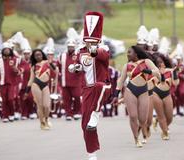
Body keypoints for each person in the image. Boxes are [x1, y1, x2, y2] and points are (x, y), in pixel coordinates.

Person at [69, 11, 110, 160]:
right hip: (86, 90)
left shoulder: (103, 50)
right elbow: (77, 67)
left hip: (103, 86)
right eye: (88, 41)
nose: (90, 43)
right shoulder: (80, 52)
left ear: (98, 41)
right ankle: (92, 153)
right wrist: (76, 68)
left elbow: (102, 55)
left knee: (99, 86)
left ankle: (96, 114)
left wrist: (95, 49)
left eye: (93, 41)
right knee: (85, 124)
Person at [113, 45, 159, 147]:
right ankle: (136, 139)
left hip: (143, 91)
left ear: (136, 53)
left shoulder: (146, 62)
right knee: (133, 116)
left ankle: (144, 131)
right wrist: (116, 95)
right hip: (130, 90)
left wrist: (149, 71)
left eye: (129, 52)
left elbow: (158, 73)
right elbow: (121, 80)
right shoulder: (127, 66)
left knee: (143, 119)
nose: (127, 54)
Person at [152, 54, 179, 140]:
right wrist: (162, 74)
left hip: (167, 94)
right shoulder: (154, 72)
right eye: (158, 63)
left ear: (165, 62)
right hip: (156, 93)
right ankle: (164, 132)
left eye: (161, 62)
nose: (160, 64)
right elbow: (161, 82)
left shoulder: (170, 71)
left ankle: (158, 121)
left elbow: (175, 83)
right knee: (161, 116)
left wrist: (175, 72)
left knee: (170, 117)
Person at [58, 28, 82, 120]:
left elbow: (82, 67)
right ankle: (68, 114)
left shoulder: (78, 55)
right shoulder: (62, 55)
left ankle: (77, 112)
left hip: (76, 81)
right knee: (66, 99)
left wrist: (78, 69)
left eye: (72, 46)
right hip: (65, 81)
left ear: (75, 47)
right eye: (69, 47)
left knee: (76, 97)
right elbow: (59, 66)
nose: (70, 48)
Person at [25, 49, 52, 130]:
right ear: (34, 57)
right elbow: (30, 79)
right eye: (36, 55)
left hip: (45, 85)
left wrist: (51, 64)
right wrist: (27, 91)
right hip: (36, 84)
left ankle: (46, 119)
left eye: (39, 54)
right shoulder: (33, 67)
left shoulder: (47, 62)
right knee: (40, 105)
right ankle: (42, 122)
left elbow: (55, 70)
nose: (38, 56)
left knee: (46, 105)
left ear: (42, 54)